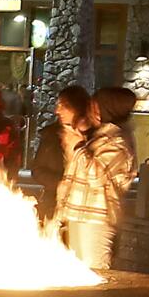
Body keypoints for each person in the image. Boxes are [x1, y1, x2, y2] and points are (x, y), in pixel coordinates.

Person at [57, 86, 138, 269]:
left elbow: (97, 176)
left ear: (104, 110)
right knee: (78, 272)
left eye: (94, 106)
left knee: (95, 272)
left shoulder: (117, 142)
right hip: (81, 215)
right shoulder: (101, 137)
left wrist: (78, 147)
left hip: (96, 219)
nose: (90, 111)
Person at [32, 86, 93, 224]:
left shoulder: (95, 138)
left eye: (63, 106)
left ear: (78, 107)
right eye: (57, 105)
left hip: (84, 210)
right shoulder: (51, 135)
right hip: (53, 203)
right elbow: (37, 169)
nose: (57, 111)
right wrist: (61, 184)